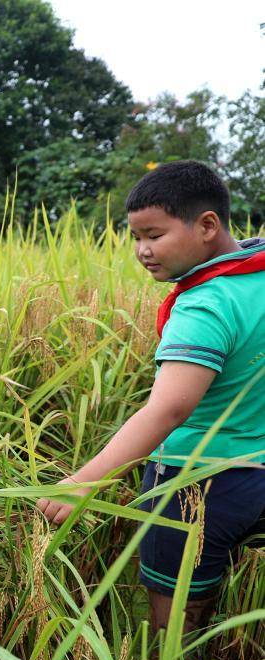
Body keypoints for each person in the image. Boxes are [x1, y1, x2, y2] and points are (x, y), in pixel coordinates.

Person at [35, 161, 265, 634]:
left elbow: (170, 407)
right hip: (257, 474)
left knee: (175, 628)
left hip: (192, 484)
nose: (142, 251)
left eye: (154, 235)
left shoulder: (205, 304)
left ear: (206, 225)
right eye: (136, 237)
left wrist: (86, 480)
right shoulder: (256, 277)